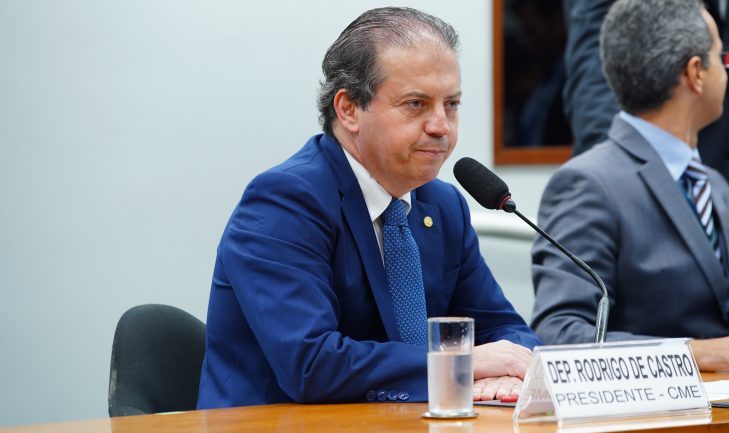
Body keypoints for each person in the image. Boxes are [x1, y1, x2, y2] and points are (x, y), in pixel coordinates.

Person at [197, 7, 541, 409]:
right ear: (348, 109)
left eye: (451, 104)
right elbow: (311, 366)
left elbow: (505, 330)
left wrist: (506, 370)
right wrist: (461, 364)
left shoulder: (443, 205)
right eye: (416, 104)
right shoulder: (285, 202)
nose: (441, 126)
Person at [531, 0, 729, 372]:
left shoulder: (716, 186)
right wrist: (694, 353)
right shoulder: (589, 183)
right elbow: (560, 332)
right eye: (721, 57)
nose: (728, 72)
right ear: (696, 73)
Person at [561, 0, 729, 244]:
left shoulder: (720, 191)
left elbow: (719, 53)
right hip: (645, 185)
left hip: (710, 176)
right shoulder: (603, 191)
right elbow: (594, 77)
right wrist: (614, 189)